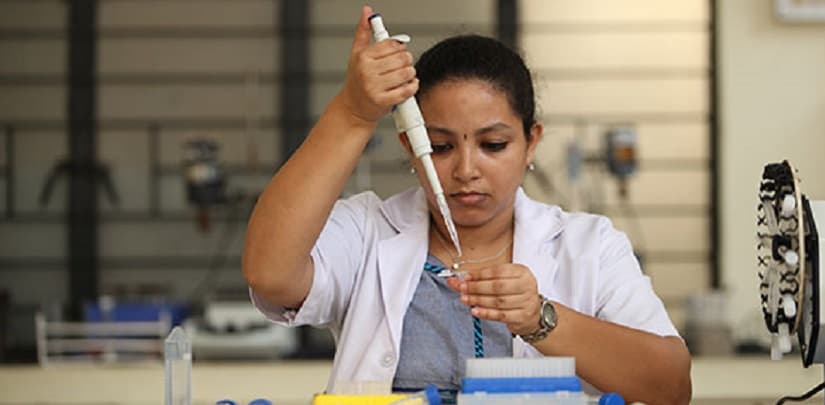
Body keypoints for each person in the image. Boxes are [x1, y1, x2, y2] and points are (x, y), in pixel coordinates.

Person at [243, 6, 691, 404]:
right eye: (439, 147)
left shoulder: (589, 246)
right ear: (410, 146)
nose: (466, 170)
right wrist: (353, 114)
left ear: (530, 142)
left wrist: (542, 319)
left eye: (493, 144)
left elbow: (670, 387)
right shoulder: (368, 232)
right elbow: (270, 274)